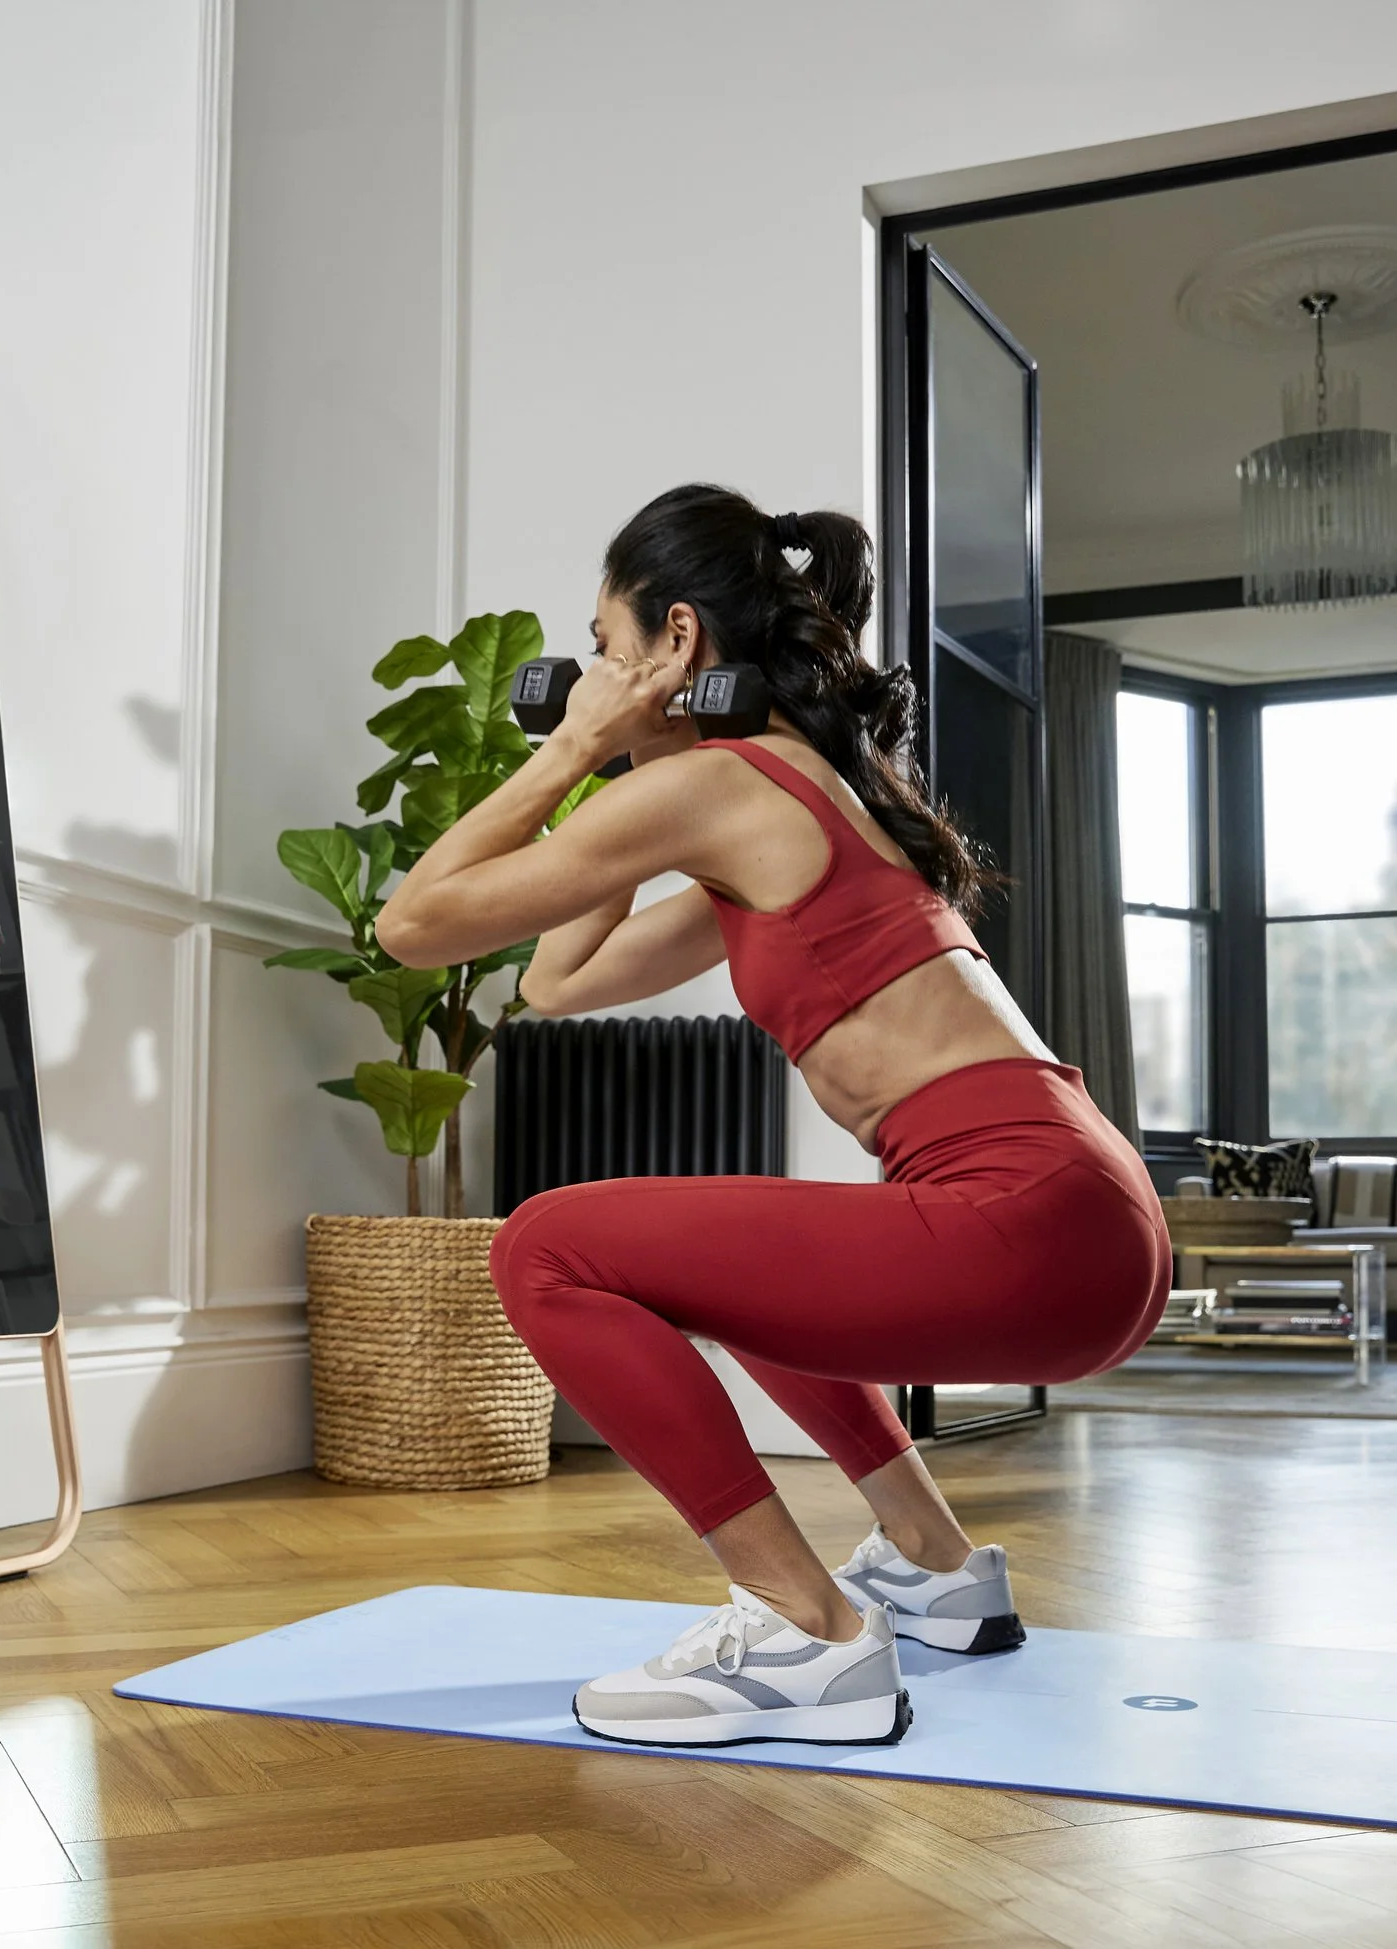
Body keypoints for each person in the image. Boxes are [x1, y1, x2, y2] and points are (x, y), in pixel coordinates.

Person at [377, 485, 1169, 1748]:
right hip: (1088, 1217)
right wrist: (635, 759)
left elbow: (411, 925)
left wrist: (576, 747)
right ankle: (931, 1564)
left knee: (544, 1244)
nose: (589, 670)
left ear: (674, 641)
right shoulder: (803, 791)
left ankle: (802, 1627)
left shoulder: (734, 783)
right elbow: (557, 981)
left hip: (1024, 1215)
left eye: (602, 644)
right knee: (747, 1262)